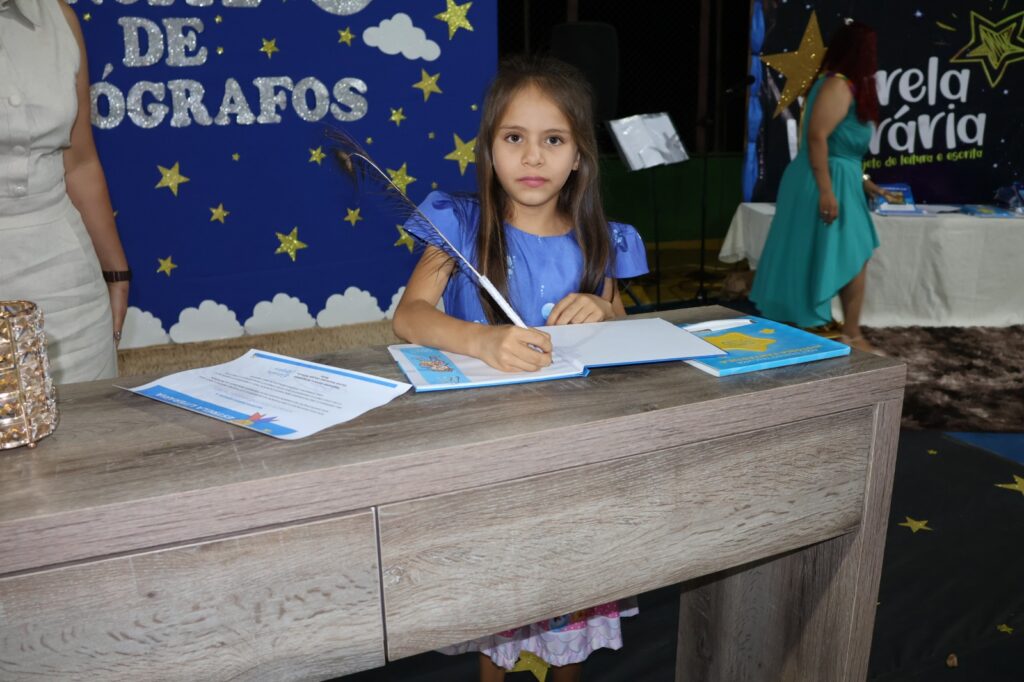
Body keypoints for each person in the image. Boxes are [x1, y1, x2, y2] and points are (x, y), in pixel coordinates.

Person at [392, 54, 647, 681]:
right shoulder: (459, 226)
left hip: (578, 453)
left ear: (579, 155)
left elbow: (622, 322)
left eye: (552, 140)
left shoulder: (601, 240)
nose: (533, 159)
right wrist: (481, 341)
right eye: (515, 139)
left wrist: (602, 308)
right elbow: (410, 316)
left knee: (571, 582)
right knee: (503, 584)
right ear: (488, 149)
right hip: (487, 452)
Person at [0, 0, 129, 383]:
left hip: (68, 297)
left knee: (91, 436)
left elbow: (80, 163)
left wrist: (116, 273)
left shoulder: (59, 17)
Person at [749, 19, 895, 355]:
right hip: (821, 182)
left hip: (835, 179)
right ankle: (846, 333)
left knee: (846, 253)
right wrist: (827, 190)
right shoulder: (838, 85)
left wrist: (865, 183)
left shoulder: (843, 85)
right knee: (847, 253)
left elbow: (842, 150)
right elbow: (816, 138)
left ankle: (843, 332)